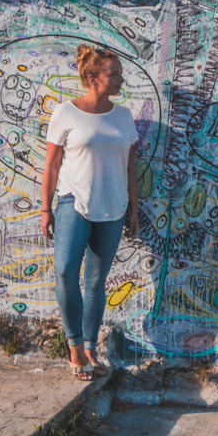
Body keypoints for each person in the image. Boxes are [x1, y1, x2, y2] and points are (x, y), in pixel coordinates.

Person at [40, 45, 140, 380]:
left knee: (96, 282)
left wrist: (134, 210)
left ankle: (90, 348)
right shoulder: (65, 113)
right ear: (92, 78)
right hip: (73, 201)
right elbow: (52, 165)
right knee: (66, 270)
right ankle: (74, 346)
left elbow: (129, 167)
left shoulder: (123, 116)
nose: (119, 79)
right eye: (113, 74)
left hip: (113, 207)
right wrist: (45, 208)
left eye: (119, 73)